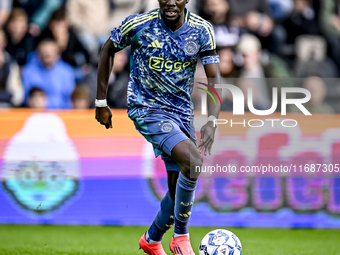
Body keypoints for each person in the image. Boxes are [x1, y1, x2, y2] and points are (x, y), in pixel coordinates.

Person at [95, 0, 221, 254]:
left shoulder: (202, 30)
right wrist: (100, 101)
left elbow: (214, 76)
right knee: (194, 162)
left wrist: (212, 120)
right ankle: (181, 238)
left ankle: (151, 240)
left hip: (182, 114)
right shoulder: (139, 24)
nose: (171, 1)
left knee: (179, 188)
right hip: (147, 109)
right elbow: (108, 49)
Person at [22, 39, 76, 109]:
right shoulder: (28, 71)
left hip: (62, 113)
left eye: (51, 52)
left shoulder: (66, 72)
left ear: (58, 54)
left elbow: (70, 98)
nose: (47, 55)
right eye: (44, 52)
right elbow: (25, 97)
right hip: (36, 113)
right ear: (38, 54)